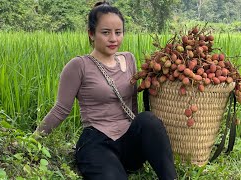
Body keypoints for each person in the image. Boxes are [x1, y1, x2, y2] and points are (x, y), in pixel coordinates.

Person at [34, 1, 177, 179]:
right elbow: (61, 109)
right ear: (91, 34)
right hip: (97, 143)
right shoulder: (79, 65)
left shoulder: (129, 59)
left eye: (118, 32)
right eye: (105, 32)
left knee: (148, 120)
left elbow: (132, 104)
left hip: (128, 143)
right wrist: (31, 141)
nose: (113, 39)